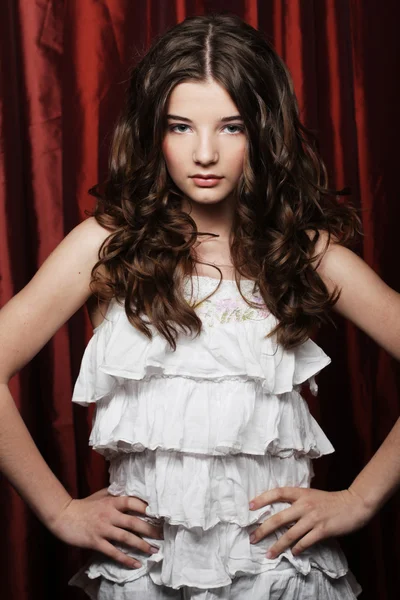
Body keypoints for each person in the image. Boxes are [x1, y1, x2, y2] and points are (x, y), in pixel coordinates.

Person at [0, 11, 399, 600]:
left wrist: (362, 499)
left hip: (277, 576)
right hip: (145, 577)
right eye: (181, 126)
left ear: (263, 130)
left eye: (231, 127)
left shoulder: (304, 250)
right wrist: (58, 510)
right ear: (152, 131)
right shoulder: (108, 243)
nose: (205, 152)